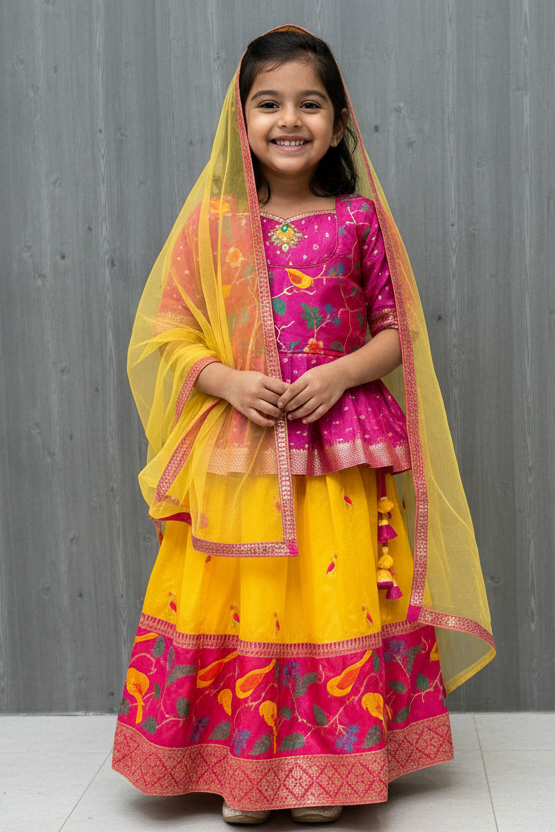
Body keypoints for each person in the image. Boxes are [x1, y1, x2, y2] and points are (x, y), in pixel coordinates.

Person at [112, 25, 495, 825]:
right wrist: (225, 379)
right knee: (246, 600)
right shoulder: (213, 225)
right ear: (240, 120)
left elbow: (398, 332)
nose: (290, 120)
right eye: (269, 103)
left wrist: (336, 373)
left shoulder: (356, 220)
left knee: (331, 597)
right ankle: (243, 771)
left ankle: (330, 768)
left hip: (337, 446)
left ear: (338, 120)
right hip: (238, 448)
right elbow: (165, 334)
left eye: (309, 103)